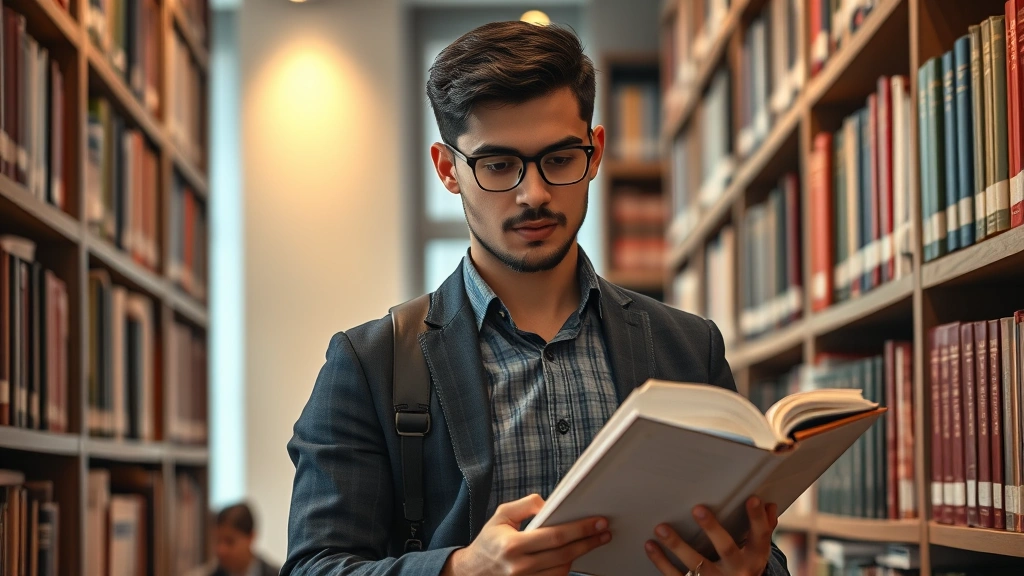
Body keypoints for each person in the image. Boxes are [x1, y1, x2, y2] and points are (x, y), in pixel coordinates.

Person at [283, 20, 791, 576]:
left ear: (594, 152)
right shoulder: (368, 366)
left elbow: (752, 549)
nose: (535, 193)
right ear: (448, 169)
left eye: (559, 158)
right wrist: (458, 570)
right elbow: (314, 566)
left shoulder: (690, 348)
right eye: (498, 165)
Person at [186, 502, 280, 576]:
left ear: (251, 537)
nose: (221, 550)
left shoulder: (279, 573)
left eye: (229, 541)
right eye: (217, 541)